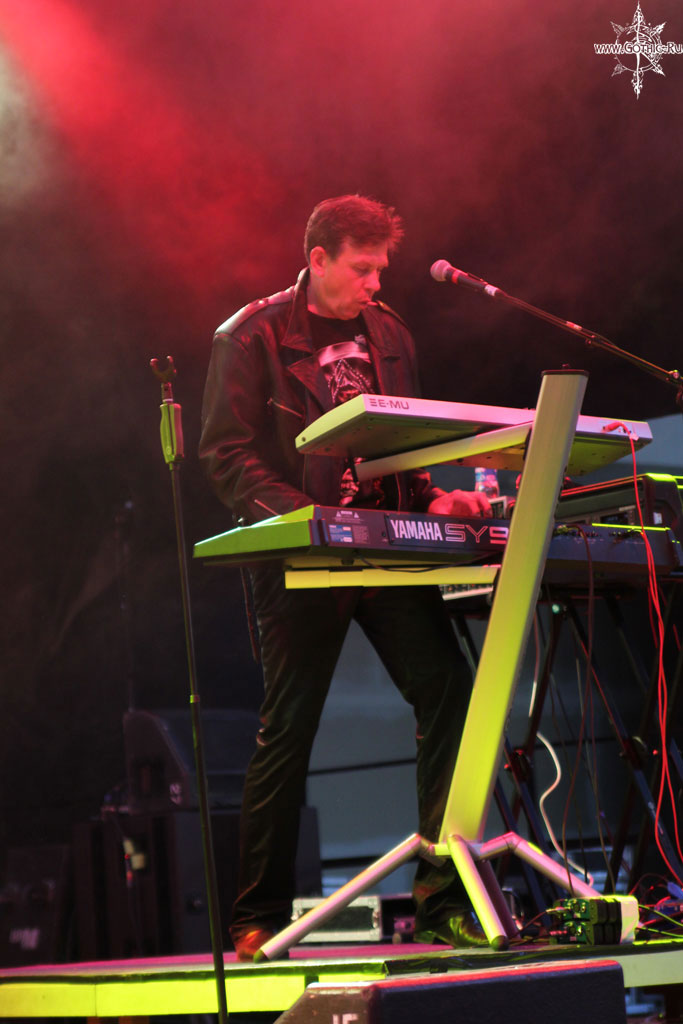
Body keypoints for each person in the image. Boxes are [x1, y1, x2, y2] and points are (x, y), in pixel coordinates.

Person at [199, 195, 491, 961]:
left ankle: (442, 901)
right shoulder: (250, 334)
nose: (374, 283)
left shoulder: (388, 332)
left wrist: (431, 496)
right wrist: (310, 520)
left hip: (384, 547)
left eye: (379, 269)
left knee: (448, 691)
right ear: (318, 258)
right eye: (361, 269)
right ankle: (255, 917)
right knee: (289, 726)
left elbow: (398, 441)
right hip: (302, 556)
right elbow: (226, 455)